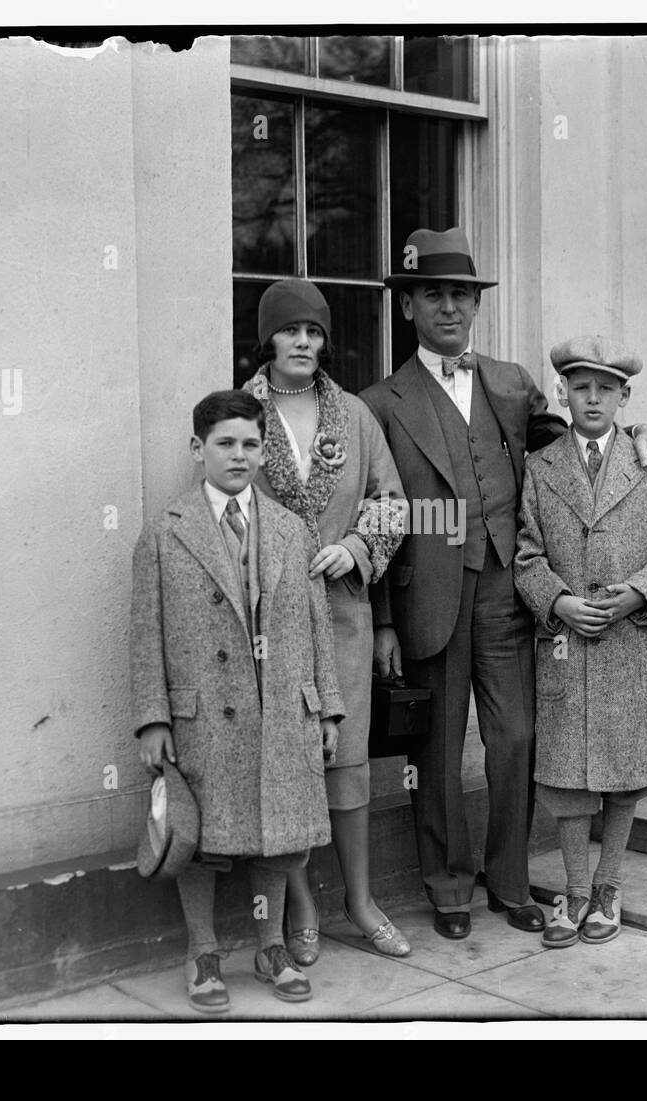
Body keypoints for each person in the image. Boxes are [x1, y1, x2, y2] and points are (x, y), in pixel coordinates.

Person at [359, 228, 647, 940]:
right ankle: (447, 888)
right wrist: (382, 620)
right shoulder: (381, 402)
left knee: (517, 738)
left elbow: (576, 442)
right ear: (408, 305)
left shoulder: (509, 383)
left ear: (476, 306)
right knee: (437, 752)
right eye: (434, 295)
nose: (450, 309)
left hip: (508, 589)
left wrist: (643, 430)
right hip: (426, 596)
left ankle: (507, 882)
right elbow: (372, 515)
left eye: (462, 296)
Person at [130, 389, 344, 1013]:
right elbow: (146, 635)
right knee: (202, 837)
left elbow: (316, 623)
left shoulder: (289, 528)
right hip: (202, 716)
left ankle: (270, 946)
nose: (239, 455)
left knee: (278, 836)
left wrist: (326, 707)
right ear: (198, 449)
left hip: (282, 709)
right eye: (225, 443)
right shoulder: (165, 533)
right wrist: (152, 719)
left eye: (251, 444)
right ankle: (202, 952)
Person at [245, 278, 412, 962]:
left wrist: (357, 546)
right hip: (271, 622)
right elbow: (221, 500)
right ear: (269, 339)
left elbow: (394, 501)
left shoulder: (353, 415)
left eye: (314, 332)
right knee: (288, 765)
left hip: (343, 613)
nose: (304, 343)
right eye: (291, 331)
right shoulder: (243, 414)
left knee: (346, 763)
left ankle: (361, 900)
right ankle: (302, 905)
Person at [513, 336, 647, 947]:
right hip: (569, 642)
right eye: (580, 386)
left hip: (631, 644)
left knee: (624, 769)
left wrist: (638, 593)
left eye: (606, 389)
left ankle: (609, 886)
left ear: (624, 397)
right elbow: (527, 557)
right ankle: (573, 890)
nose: (592, 398)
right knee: (567, 776)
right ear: (561, 392)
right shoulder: (540, 469)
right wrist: (558, 601)